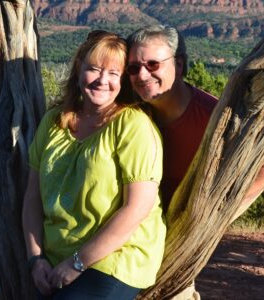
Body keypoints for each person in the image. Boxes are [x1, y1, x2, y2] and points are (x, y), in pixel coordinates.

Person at [126, 25, 264, 299]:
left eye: (153, 64)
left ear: (178, 65)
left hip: (176, 239)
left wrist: (216, 207)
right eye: (133, 68)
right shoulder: (133, 112)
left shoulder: (211, 115)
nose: (143, 75)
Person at [22, 30, 166, 300]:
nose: (103, 81)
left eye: (113, 73)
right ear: (78, 70)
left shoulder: (132, 126)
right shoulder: (54, 121)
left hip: (114, 258)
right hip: (55, 258)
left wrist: (78, 263)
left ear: (123, 80)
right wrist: (35, 258)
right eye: (94, 69)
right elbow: (32, 197)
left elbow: (137, 208)